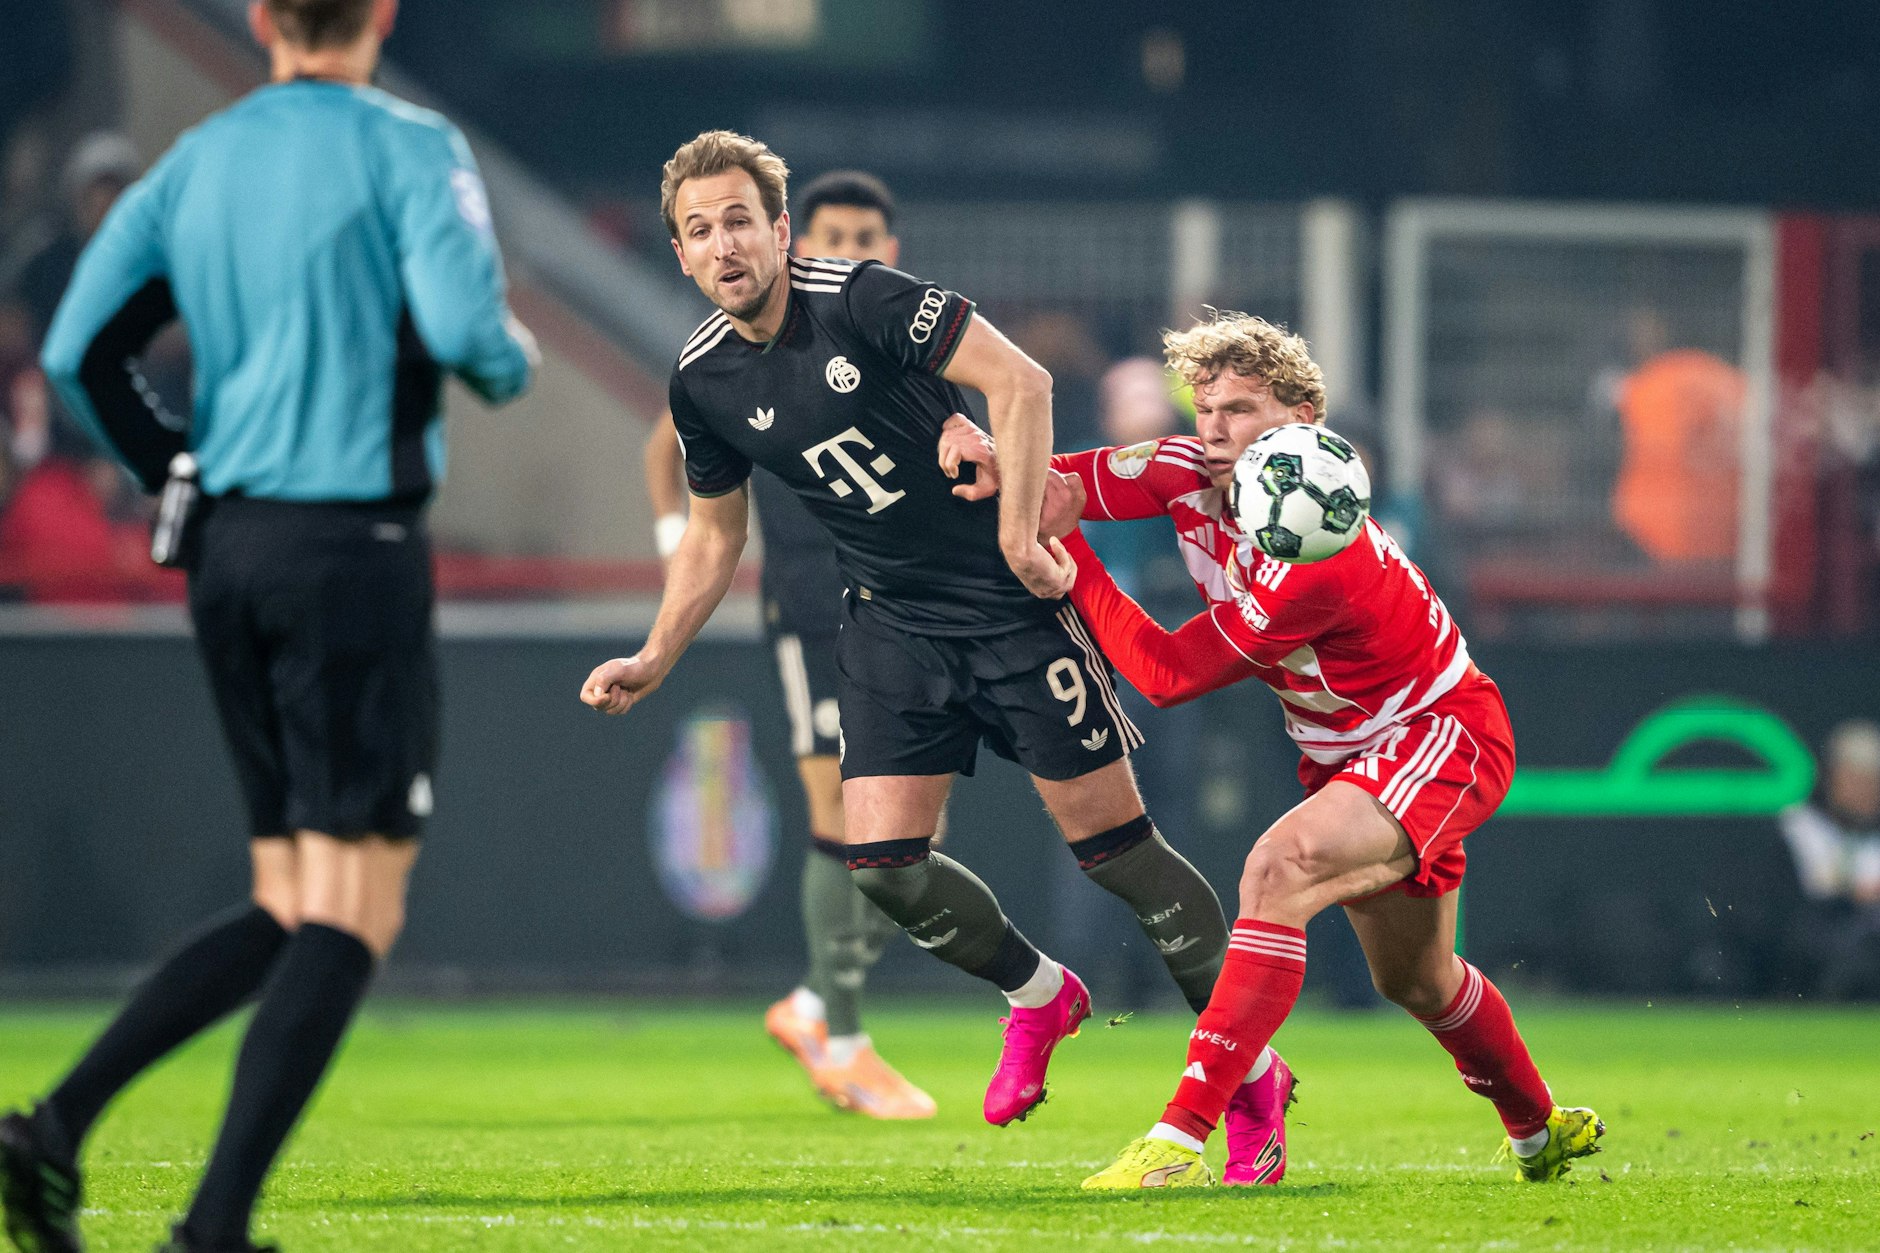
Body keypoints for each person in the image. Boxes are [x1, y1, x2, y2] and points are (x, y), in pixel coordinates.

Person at [582, 131, 1254, 1143]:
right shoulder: (701, 377)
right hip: (890, 620)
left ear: (779, 228)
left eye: (739, 221)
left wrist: (1018, 533)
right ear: (678, 254)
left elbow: (1022, 382)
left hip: (1007, 605)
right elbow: (717, 534)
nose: (723, 245)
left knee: (1118, 853)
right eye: (699, 230)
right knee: (885, 866)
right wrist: (652, 654)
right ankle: (1040, 994)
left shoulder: (860, 297)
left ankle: (1247, 1076)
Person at [1, 2, 536, 1249]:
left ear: (260, 19)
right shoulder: (408, 148)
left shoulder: (200, 157)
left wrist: (169, 467)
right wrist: (509, 358)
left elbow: (80, 350)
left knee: (292, 895)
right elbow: (470, 338)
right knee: (356, 908)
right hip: (349, 549)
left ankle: (53, 1126)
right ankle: (212, 1228)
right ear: (381, 12)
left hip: (228, 554)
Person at [955, 311, 1601, 1188]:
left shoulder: (1319, 549)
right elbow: (1056, 479)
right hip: (1346, 755)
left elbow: (1167, 673)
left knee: (1277, 867)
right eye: (1206, 408)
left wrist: (1074, 553)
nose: (1216, 429)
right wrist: (985, 452)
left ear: (1303, 420)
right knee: (1417, 979)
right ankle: (1539, 1128)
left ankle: (1179, 1135)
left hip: (1438, 733)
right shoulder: (1186, 466)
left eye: (1241, 409)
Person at [642, 170, 935, 1119]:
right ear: (796, 241)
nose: (849, 251)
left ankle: (813, 1002)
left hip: (909, 602)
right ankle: (841, 1035)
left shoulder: (897, 332)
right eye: (831, 236)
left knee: (917, 838)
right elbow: (665, 447)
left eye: (865, 237)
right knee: (845, 822)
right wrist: (676, 544)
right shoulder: (740, 349)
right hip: (812, 602)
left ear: (891, 251)